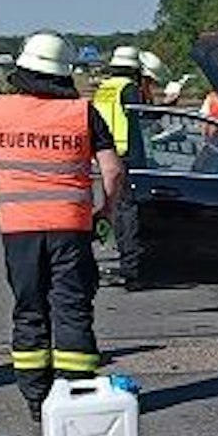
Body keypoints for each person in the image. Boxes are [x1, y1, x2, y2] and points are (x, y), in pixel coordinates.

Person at [0, 32, 126, 421]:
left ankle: (37, 400)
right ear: (65, 73)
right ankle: (76, 394)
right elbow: (113, 171)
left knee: (29, 310)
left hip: (18, 229)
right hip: (70, 227)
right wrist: (106, 211)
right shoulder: (82, 113)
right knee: (71, 308)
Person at [90, 46, 149, 287]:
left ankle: (121, 256)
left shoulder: (104, 88)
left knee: (115, 208)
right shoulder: (129, 89)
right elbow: (141, 121)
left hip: (106, 153)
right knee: (129, 212)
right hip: (128, 154)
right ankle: (132, 267)